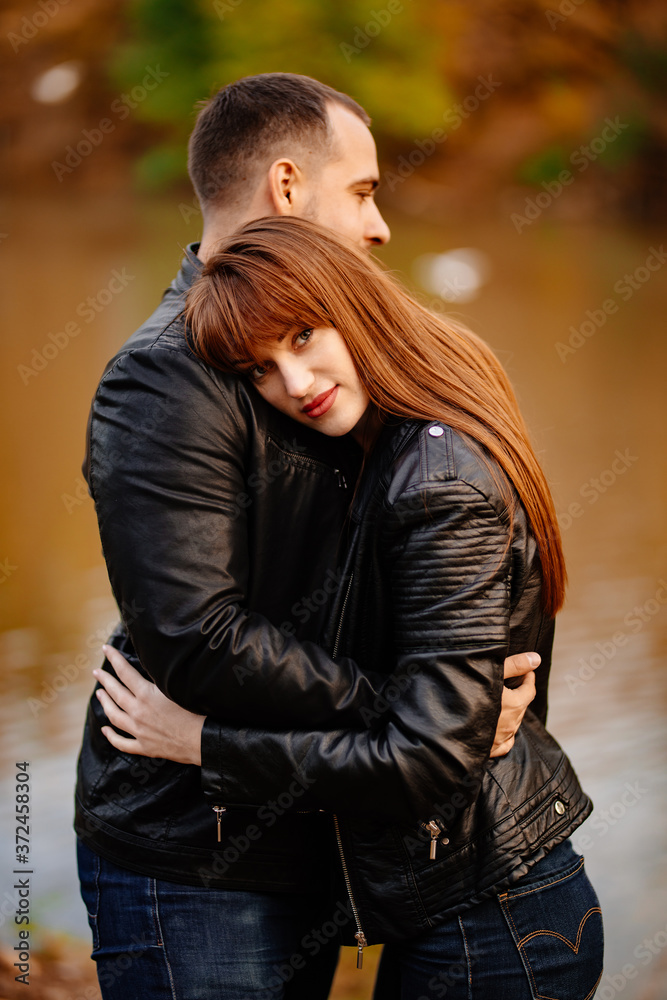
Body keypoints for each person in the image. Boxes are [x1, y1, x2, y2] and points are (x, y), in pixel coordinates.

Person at [76, 73, 540, 999]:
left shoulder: (354, 354)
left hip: (310, 821)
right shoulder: (165, 379)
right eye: (362, 192)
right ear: (288, 189)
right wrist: (421, 717)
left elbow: (453, 554)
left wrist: (462, 695)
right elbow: (196, 636)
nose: (379, 228)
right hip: (197, 857)